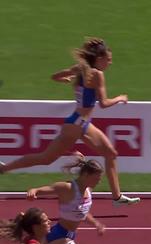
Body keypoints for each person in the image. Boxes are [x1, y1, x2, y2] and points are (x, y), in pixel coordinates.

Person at [0, 37, 140, 207]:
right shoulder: (97, 74)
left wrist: (64, 79)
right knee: (45, 158)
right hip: (77, 125)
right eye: (108, 60)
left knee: (110, 153)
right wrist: (120, 98)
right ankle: (4, 168)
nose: (110, 63)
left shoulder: (80, 69)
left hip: (79, 123)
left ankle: (117, 197)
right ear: (99, 59)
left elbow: (55, 76)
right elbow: (103, 104)